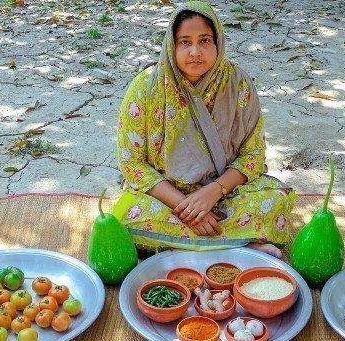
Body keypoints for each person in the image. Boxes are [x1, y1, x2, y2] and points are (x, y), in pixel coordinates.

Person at [114, 1, 297, 259]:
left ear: (218, 42)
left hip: (225, 193)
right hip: (165, 195)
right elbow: (131, 162)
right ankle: (239, 246)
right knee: (123, 218)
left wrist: (212, 193)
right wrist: (185, 207)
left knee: (276, 202)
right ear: (171, 45)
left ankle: (180, 245)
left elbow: (253, 155)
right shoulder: (146, 87)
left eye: (205, 41)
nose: (195, 52)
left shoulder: (237, 82)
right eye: (185, 42)